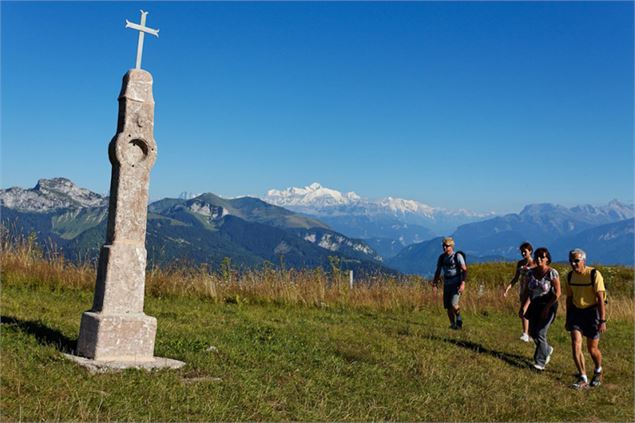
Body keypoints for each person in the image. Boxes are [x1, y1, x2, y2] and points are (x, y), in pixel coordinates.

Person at [564, 249, 607, 389]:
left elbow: (600, 298)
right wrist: (568, 318)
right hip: (576, 313)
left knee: (592, 349)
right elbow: (569, 298)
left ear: (584, 261)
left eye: (576, 260)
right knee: (576, 343)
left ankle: (598, 370)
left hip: (592, 313)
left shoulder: (594, 274)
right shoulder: (570, 276)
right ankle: (583, 378)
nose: (573, 263)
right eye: (571, 260)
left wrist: (602, 320)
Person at [519, 247, 560, 371]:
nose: (539, 259)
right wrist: (523, 307)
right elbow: (528, 291)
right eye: (537, 256)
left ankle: (539, 362)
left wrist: (547, 308)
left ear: (547, 259)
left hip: (549, 304)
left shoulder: (552, 273)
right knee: (532, 332)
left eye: (542, 257)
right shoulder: (530, 273)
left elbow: (558, 293)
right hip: (534, 303)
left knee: (541, 332)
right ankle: (546, 349)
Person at [433, 237, 467, 329]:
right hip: (447, 284)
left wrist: (462, 284)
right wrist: (435, 283)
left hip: (456, 284)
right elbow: (438, 271)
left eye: (446, 246)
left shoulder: (457, 256)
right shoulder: (442, 258)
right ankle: (452, 324)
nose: (444, 247)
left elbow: (464, 270)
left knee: (454, 304)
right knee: (448, 307)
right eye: (443, 245)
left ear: (451, 246)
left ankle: (459, 318)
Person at [504, 242, 534, 342]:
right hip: (523, 290)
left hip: (531, 291)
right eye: (522, 252)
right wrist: (508, 288)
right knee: (525, 311)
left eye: (525, 251)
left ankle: (526, 333)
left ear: (530, 251)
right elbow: (516, 278)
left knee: (524, 311)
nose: (523, 254)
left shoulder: (534, 264)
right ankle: (529, 334)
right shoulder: (520, 263)